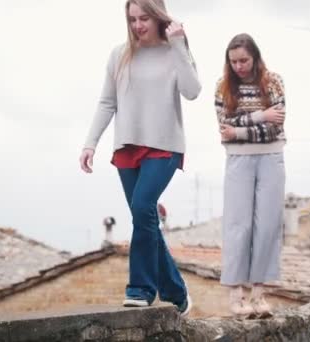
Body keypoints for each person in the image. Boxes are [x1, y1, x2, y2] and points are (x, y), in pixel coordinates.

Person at [78, 0, 200, 317]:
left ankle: (141, 289)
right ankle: (177, 295)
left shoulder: (175, 49)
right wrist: (90, 142)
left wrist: (179, 45)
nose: (137, 26)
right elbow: (107, 101)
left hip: (165, 145)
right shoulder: (119, 54)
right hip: (128, 147)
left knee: (143, 207)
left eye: (144, 18)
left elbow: (192, 90)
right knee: (144, 218)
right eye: (132, 19)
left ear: (158, 16)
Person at [214, 33, 286, 318]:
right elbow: (224, 127)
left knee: (268, 224)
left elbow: (275, 126)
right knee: (238, 225)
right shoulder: (223, 87)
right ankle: (236, 295)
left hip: (272, 155)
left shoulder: (273, 82)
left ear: (255, 57)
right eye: (233, 62)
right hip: (238, 160)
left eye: (244, 60)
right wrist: (260, 116)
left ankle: (259, 294)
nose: (239, 66)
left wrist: (240, 129)